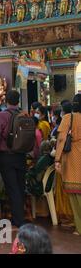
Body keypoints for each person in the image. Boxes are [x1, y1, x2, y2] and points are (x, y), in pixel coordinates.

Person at [0, 90, 27, 228]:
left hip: (6, 155)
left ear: (6, 100)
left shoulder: (1, 116)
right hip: (21, 154)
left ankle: (18, 220)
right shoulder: (24, 114)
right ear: (18, 101)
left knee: (12, 187)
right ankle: (21, 216)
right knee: (20, 186)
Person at [55, 93, 81, 235]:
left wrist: (57, 159)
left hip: (72, 158)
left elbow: (61, 140)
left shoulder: (68, 118)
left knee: (75, 195)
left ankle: (80, 227)